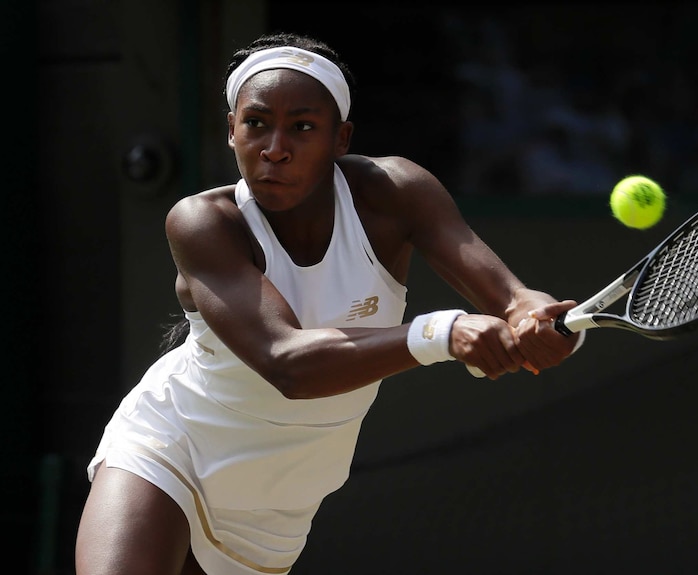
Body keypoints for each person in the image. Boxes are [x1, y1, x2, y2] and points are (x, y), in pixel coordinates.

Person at [74, 31, 586, 575]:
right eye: (255, 123)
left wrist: (537, 316)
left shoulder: (396, 192)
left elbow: (512, 298)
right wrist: (444, 334)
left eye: (302, 126)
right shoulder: (203, 222)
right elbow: (286, 361)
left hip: (282, 499)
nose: (275, 147)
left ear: (340, 138)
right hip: (172, 448)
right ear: (231, 131)